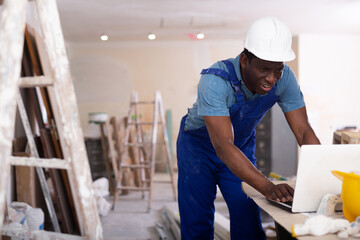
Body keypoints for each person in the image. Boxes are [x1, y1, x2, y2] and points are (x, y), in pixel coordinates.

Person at [176, 17, 321, 239]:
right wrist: (268, 187)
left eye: (278, 69)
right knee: (197, 219)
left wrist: (320, 178)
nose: (272, 78)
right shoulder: (215, 80)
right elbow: (223, 146)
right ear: (245, 60)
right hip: (199, 149)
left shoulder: (285, 78)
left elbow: (303, 131)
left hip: (240, 147)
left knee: (248, 216)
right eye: (264, 68)